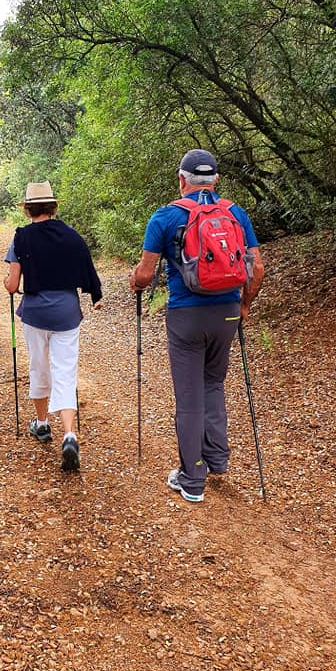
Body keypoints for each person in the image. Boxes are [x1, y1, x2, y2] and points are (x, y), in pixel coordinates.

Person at [129, 150, 265, 503]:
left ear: (181, 180)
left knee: (189, 397)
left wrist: (136, 282)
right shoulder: (235, 213)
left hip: (186, 317)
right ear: (216, 180)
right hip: (228, 312)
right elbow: (258, 268)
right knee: (214, 384)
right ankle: (217, 460)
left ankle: (192, 479)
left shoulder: (165, 217)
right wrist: (245, 305)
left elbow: (145, 274)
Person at [4, 181, 103, 472]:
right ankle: (70, 434)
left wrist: (7, 285)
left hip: (35, 314)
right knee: (65, 371)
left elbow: (12, 284)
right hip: (67, 314)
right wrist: (95, 294)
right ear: (53, 207)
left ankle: (43, 424)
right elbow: (87, 268)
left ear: (27, 210)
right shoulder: (71, 235)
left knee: (39, 367)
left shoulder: (21, 238)